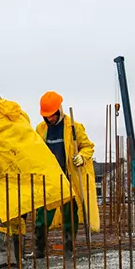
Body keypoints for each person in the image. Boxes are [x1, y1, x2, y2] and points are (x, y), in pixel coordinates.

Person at [0, 82, 68, 269]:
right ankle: (19, 254)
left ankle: (6, 255)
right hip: (23, 174)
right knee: (19, 212)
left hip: (2, 175)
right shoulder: (18, 112)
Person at [33, 92, 101, 258]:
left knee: (70, 215)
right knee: (42, 215)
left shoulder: (74, 127)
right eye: (46, 116)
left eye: (52, 116)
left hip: (68, 178)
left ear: (59, 111)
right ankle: (39, 250)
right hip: (49, 180)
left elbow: (88, 147)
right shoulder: (40, 129)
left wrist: (82, 157)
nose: (50, 119)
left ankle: (68, 249)